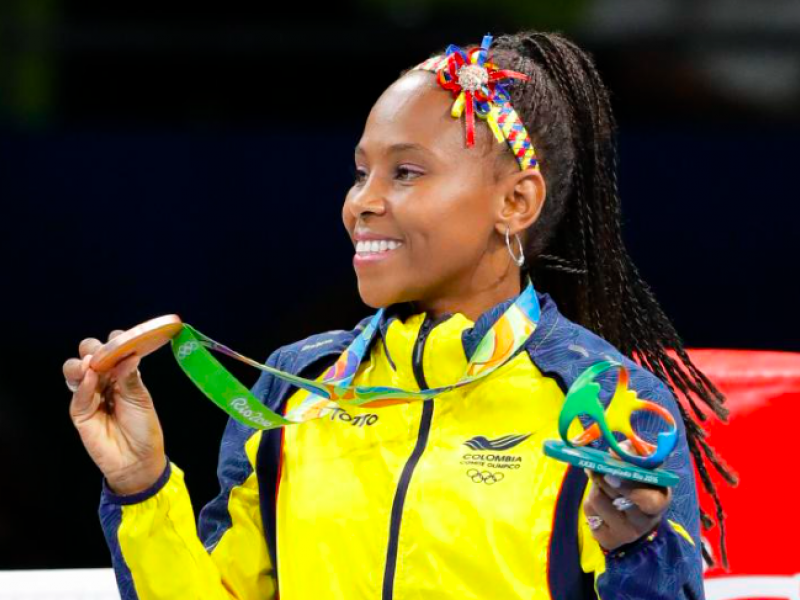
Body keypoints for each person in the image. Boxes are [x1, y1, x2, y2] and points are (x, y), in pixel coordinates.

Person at [63, 30, 734, 600]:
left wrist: (635, 552)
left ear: (517, 202)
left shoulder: (604, 403)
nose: (363, 203)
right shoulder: (299, 386)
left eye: (406, 173)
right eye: (361, 173)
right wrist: (141, 484)